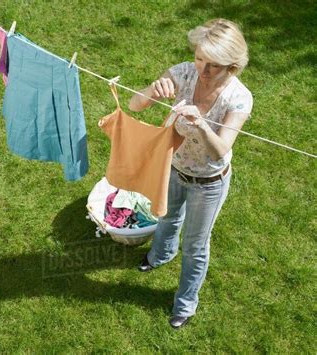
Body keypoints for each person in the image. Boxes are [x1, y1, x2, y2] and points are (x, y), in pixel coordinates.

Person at [128, 18, 253, 329]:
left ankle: (185, 303)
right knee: (167, 217)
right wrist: (152, 91)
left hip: (209, 182)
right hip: (175, 166)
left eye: (214, 65)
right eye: (200, 59)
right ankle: (159, 256)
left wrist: (201, 124)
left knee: (196, 245)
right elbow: (134, 104)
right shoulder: (184, 71)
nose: (203, 70)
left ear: (232, 67)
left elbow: (221, 149)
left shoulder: (239, 98)